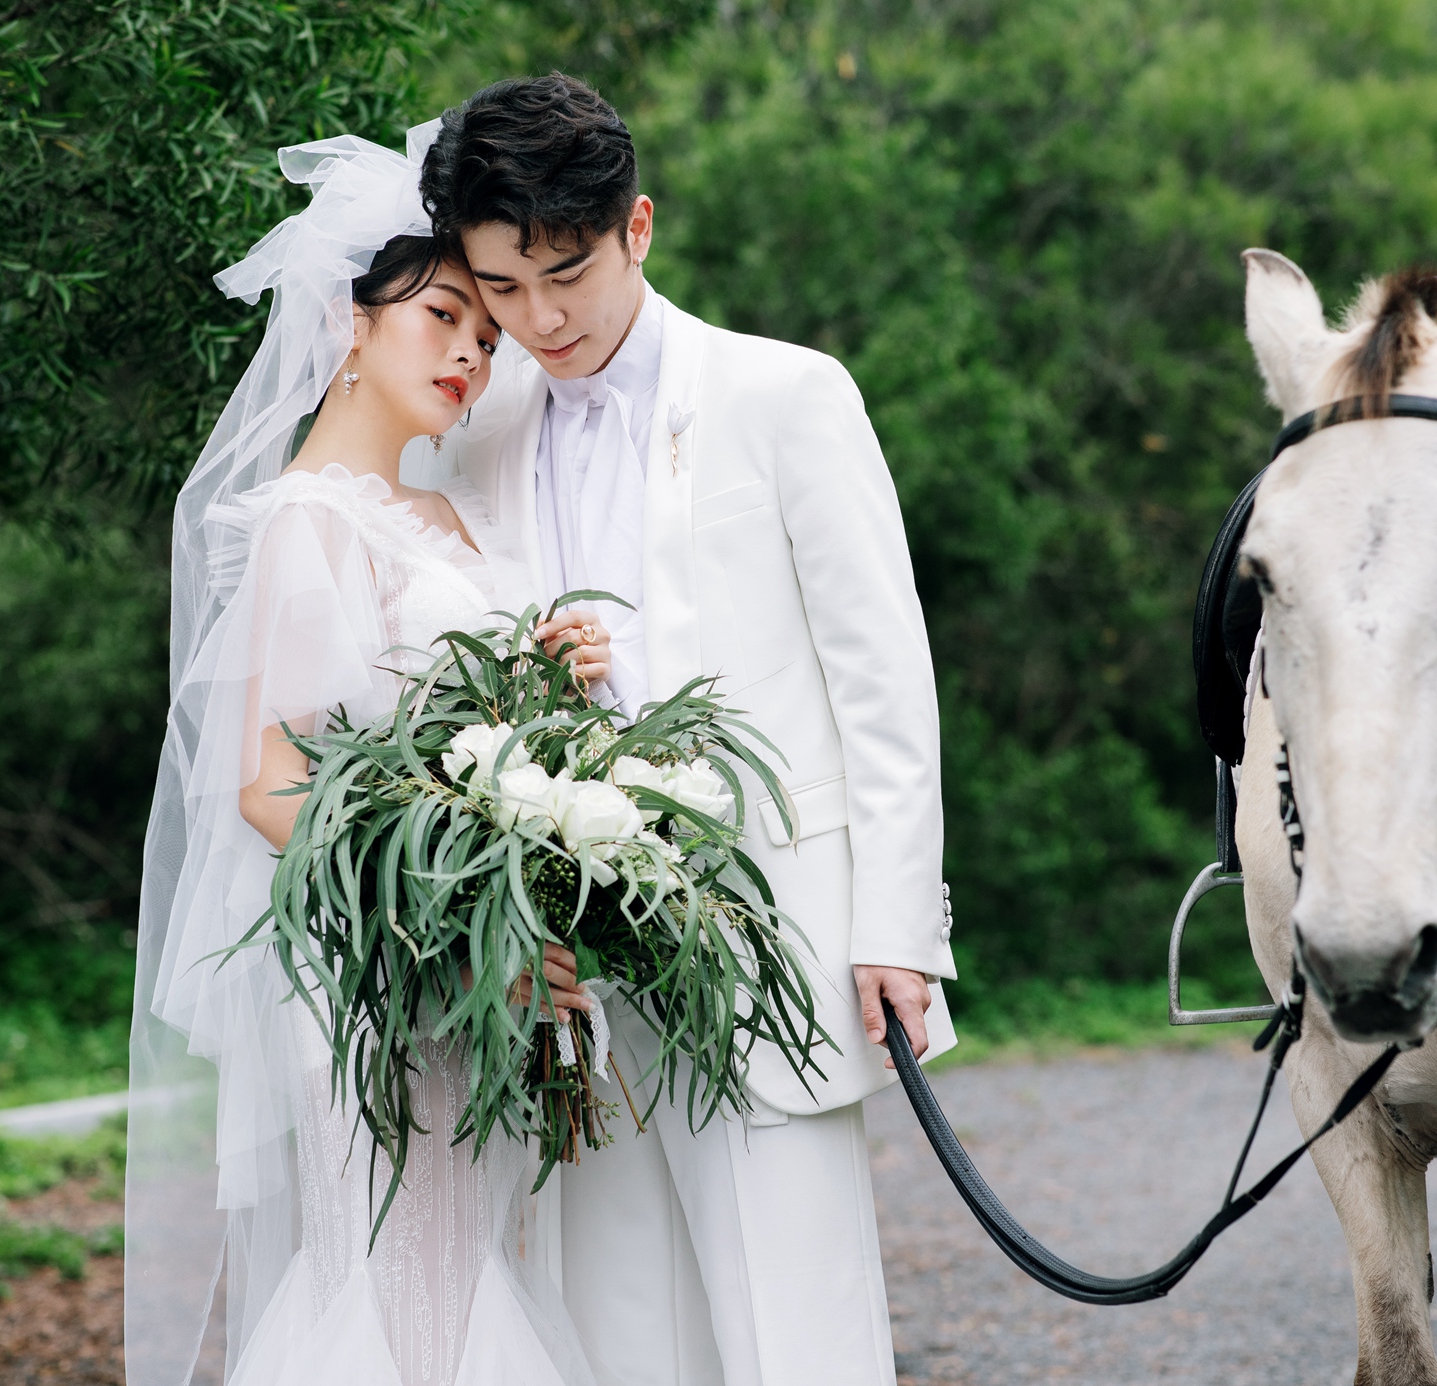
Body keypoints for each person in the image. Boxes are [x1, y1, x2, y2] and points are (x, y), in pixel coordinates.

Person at [418, 75, 958, 1386]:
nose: (537, 318)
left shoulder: (788, 394)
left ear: (637, 228)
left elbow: (879, 677)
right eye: (499, 286)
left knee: (795, 1335)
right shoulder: (473, 432)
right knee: (620, 1338)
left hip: (770, 934)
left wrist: (894, 925)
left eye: (565, 273)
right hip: (575, 978)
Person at [124, 129, 615, 1386]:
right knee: (405, 1274)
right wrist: (461, 918)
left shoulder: (447, 518)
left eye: (488, 338)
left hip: (481, 961)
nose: (471, 352)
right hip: (383, 960)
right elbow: (269, 778)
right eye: (445, 315)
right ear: (349, 325)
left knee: (466, 1261)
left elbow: (468, 738)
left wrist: (559, 690)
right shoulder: (304, 522)